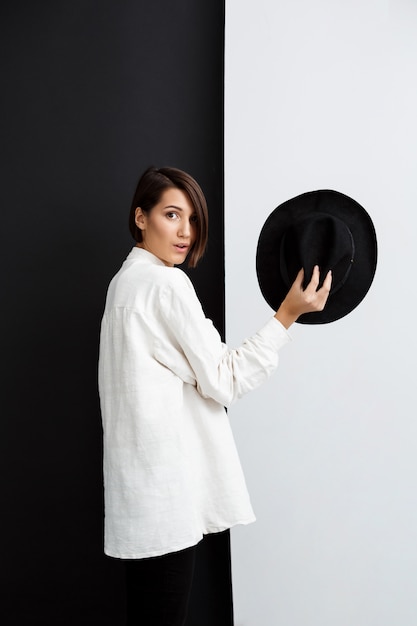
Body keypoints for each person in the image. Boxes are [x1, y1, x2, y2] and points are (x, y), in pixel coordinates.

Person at [98, 166, 332, 625]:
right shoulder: (165, 285)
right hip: (165, 506)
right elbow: (225, 379)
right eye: (171, 214)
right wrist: (286, 315)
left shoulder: (124, 284)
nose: (186, 232)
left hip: (139, 503)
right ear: (141, 217)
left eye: (193, 219)